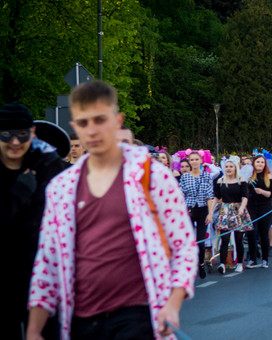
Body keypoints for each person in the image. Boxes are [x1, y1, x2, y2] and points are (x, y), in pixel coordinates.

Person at [26, 81, 196, 340]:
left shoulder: (151, 176)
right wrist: (34, 329)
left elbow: (184, 245)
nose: (92, 130)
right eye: (83, 123)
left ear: (117, 121)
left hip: (138, 314)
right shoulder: (61, 188)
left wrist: (172, 305)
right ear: (74, 128)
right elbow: (47, 261)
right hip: (81, 320)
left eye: (100, 120)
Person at [2, 103, 68, 340]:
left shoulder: (49, 165)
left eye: (21, 135)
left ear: (31, 133)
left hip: (43, 277)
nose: (15, 142)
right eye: (6, 135)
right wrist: (20, 192)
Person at [180, 150, 215, 279]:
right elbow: (181, 196)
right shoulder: (185, 177)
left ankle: (201, 263)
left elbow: (209, 196)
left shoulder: (206, 176)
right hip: (188, 210)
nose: (194, 162)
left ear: (201, 161)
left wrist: (210, 213)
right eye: (191, 160)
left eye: (196, 159)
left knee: (200, 240)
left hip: (202, 210)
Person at [214, 156, 249, 273]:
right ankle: (222, 264)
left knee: (238, 239)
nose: (228, 169)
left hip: (238, 209)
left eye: (231, 166)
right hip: (225, 210)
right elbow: (217, 197)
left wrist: (242, 208)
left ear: (235, 168)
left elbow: (245, 196)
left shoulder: (241, 180)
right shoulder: (220, 181)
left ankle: (239, 263)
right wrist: (211, 211)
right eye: (226, 166)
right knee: (224, 239)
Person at [246, 155, 272, 267]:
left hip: (265, 207)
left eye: (262, 162)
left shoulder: (269, 176)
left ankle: (265, 259)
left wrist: (262, 192)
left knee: (264, 234)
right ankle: (253, 258)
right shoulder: (249, 177)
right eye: (258, 162)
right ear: (254, 163)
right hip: (251, 207)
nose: (260, 164)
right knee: (251, 233)